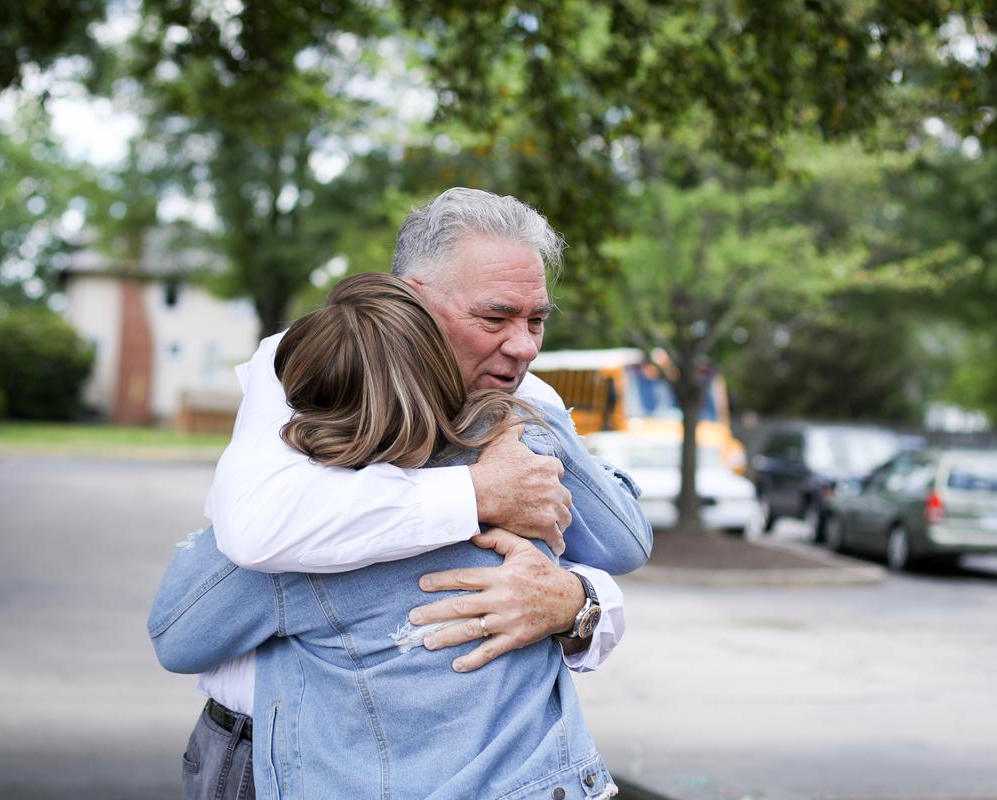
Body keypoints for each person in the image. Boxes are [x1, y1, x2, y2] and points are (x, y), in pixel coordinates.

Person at [149, 188, 651, 798]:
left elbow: (178, 632)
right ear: (413, 300)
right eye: (495, 318)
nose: (524, 346)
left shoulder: (521, 433)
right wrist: (480, 486)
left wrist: (576, 600)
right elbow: (254, 532)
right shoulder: (299, 387)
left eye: (537, 320)